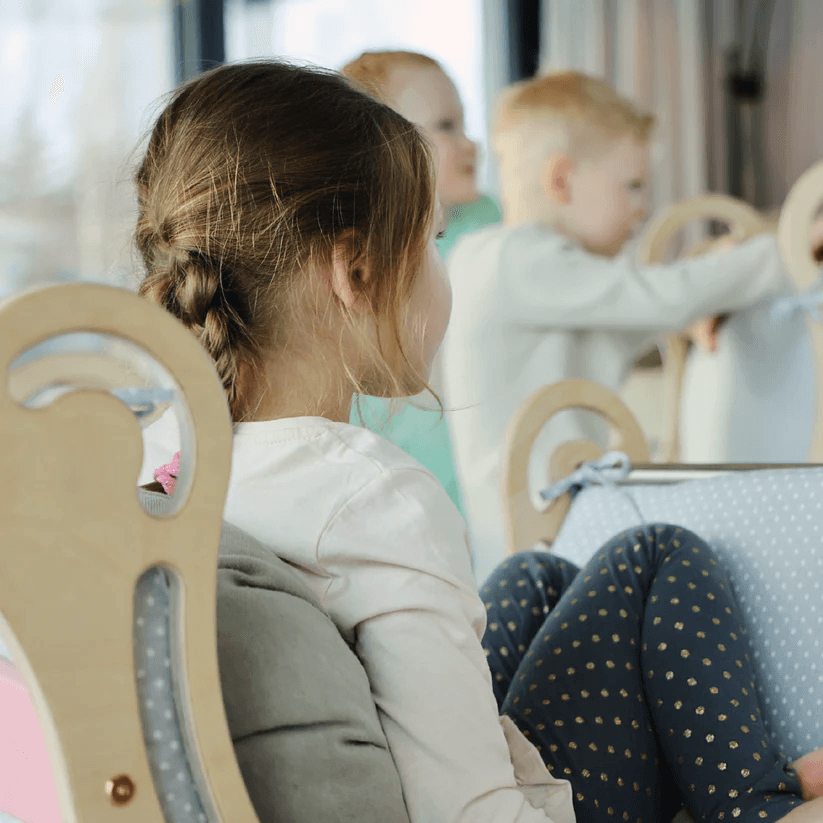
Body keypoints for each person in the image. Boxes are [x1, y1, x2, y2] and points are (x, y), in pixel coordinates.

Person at [136, 60, 823, 823]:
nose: (445, 262)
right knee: (654, 551)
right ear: (353, 269)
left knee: (533, 575)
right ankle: (759, 804)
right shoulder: (369, 497)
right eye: (431, 239)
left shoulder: (166, 465)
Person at [441, 71, 793, 584]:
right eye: (631, 186)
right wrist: (777, 252)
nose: (642, 207)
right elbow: (653, 299)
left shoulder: (504, 264)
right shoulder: (514, 259)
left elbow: (626, 320)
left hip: (531, 539)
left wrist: (692, 310)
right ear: (561, 181)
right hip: (536, 543)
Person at [341, 50, 501, 515]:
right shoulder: (370, 250)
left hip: (473, 442)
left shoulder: (486, 221)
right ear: (383, 145)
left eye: (465, 124)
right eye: (447, 126)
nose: (471, 143)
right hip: (394, 449)